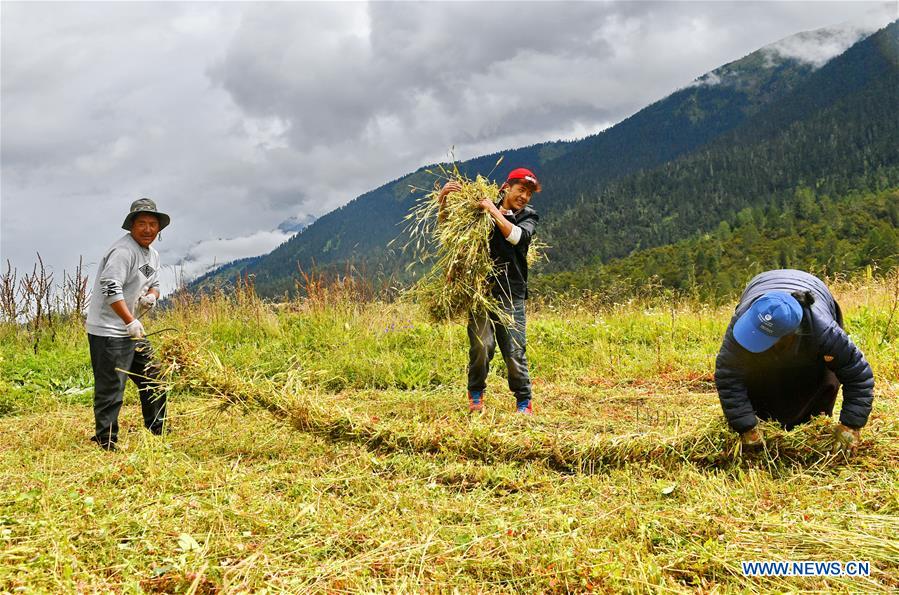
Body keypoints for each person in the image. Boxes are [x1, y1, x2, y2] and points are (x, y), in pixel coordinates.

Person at [714, 269, 874, 453]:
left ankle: (812, 425)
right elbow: (728, 375)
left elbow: (858, 374)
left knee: (823, 379)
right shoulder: (744, 323)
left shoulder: (824, 332)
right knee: (758, 377)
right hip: (762, 285)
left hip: (814, 298)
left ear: (790, 335)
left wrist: (851, 425)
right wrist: (746, 426)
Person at [439, 168, 541, 414]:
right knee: (481, 346)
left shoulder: (528, 216)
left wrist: (493, 211)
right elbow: (451, 231)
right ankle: (475, 394)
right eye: (521, 190)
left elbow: (516, 237)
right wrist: (443, 200)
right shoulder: (482, 209)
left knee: (514, 350)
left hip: (511, 293)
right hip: (481, 291)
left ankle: (523, 401)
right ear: (507, 187)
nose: (524, 196)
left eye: (529, 193)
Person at [85, 198, 170, 450]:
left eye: (153, 224)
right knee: (112, 386)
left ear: (159, 228)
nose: (147, 229)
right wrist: (129, 320)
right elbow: (110, 287)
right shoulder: (123, 252)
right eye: (142, 223)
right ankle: (106, 440)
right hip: (109, 331)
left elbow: (154, 283)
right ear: (131, 226)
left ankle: (157, 429)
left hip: (133, 330)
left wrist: (151, 297)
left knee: (154, 377)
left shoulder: (151, 254)